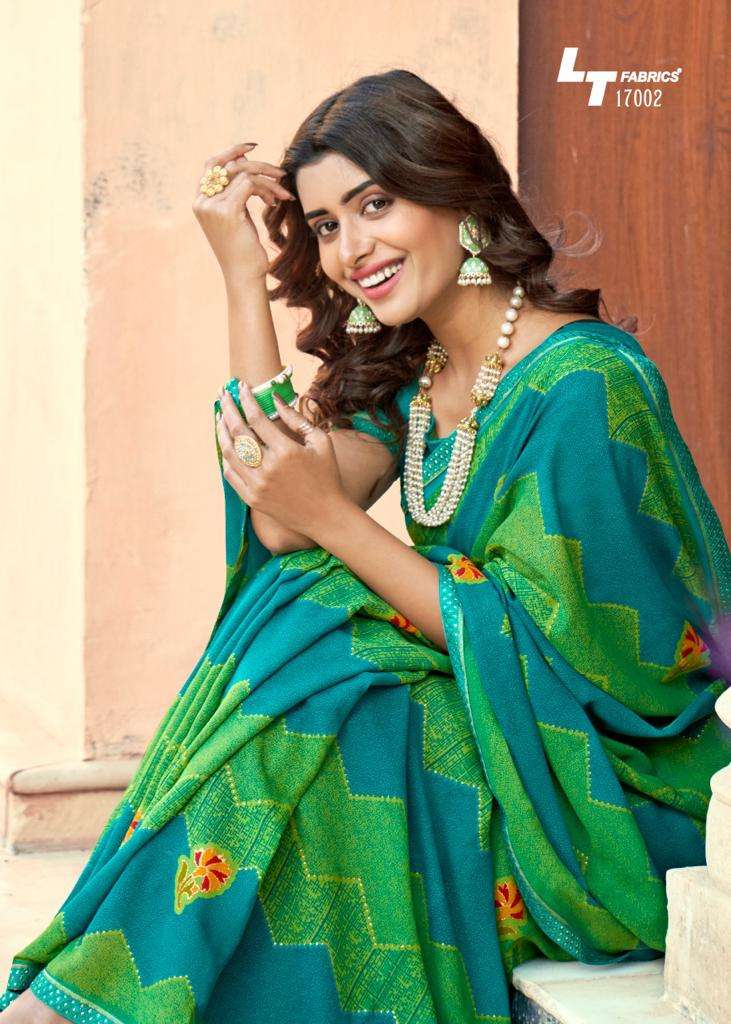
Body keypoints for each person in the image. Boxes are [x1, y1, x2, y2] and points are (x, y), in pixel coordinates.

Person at [2, 68, 729, 1024]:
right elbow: (279, 512)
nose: (350, 250)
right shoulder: (420, 377)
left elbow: (607, 673)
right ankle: (96, 994)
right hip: (494, 738)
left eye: (375, 204)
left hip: (602, 799)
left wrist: (339, 522)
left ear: (456, 193)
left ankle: (77, 1003)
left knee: (340, 674)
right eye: (324, 225)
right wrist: (240, 274)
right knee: (308, 624)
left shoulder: (586, 382)